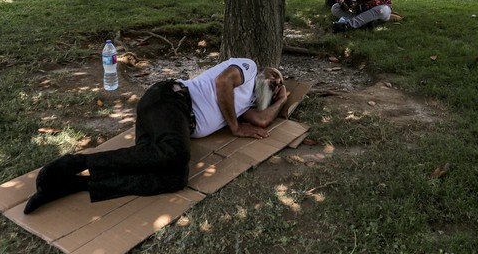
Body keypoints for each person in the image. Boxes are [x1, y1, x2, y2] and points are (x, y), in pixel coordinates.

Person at [24, 58, 288, 214]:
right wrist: (235, 128)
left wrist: (282, 99)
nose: (276, 82)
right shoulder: (248, 68)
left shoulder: (244, 105)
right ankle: (75, 163)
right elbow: (221, 82)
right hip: (169, 98)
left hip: (172, 120)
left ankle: (72, 185)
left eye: (277, 87)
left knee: (173, 178)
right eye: (276, 77)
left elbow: (263, 120)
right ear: (265, 70)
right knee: (176, 153)